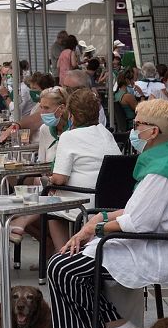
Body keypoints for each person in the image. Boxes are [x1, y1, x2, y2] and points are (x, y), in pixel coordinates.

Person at [48, 99, 168, 328]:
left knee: (62, 267)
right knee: (64, 260)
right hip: (146, 241)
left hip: (151, 247)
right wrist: (97, 220)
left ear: (153, 131)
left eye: (137, 125)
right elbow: (138, 211)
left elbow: (137, 223)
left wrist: (95, 227)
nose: (133, 131)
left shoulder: (162, 173)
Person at [46, 88, 121, 251]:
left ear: (71, 115)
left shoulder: (69, 136)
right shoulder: (106, 133)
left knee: (51, 212)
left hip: (84, 204)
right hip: (111, 203)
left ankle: (63, 255)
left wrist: (50, 180)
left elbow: (59, 179)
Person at [8, 86, 70, 246]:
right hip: (49, 184)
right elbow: (42, 164)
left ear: (61, 108)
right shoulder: (45, 130)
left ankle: (22, 222)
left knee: (43, 196)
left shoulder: (72, 131)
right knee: (17, 202)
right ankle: (48, 247)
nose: (42, 112)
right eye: (41, 107)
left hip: (67, 185)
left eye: (46, 108)